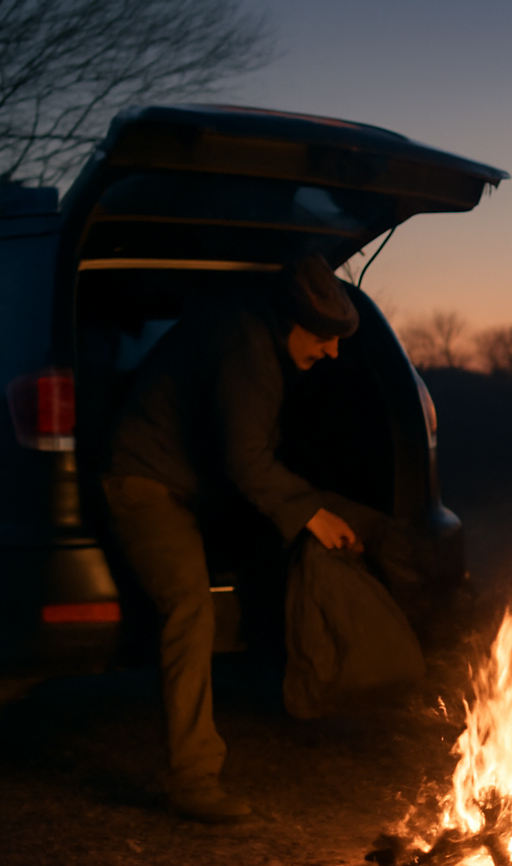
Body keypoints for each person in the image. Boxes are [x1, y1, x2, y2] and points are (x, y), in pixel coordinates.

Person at [102, 254, 380, 823]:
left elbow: (252, 456)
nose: (332, 351)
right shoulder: (247, 347)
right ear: (292, 320)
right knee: (188, 607)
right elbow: (248, 461)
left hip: (194, 484)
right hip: (144, 482)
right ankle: (192, 779)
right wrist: (312, 515)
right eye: (326, 336)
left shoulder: (259, 337)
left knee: (288, 544)